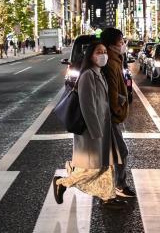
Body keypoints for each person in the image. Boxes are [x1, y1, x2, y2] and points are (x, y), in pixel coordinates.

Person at [53, 42, 124, 207]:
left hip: (103, 127)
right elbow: (87, 106)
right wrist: (96, 131)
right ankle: (62, 183)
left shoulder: (99, 73)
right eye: (99, 52)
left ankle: (108, 197)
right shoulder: (87, 75)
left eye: (105, 51)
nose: (103, 55)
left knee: (106, 164)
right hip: (91, 130)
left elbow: (101, 100)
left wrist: (118, 100)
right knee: (93, 167)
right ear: (90, 55)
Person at [100, 28, 136, 198]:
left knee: (112, 154)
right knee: (120, 152)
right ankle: (118, 186)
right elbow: (112, 93)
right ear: (112, 45)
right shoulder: (111, 63)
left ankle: (113, 186)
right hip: (110, 117)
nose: (123, 45)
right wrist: (119, 107)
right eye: (120, 42)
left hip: (110, 116)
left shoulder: (115, 60)